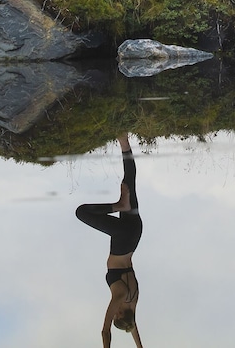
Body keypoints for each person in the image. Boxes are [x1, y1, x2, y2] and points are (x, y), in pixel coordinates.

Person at [76, 134, 144, 347]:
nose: (114, 313)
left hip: (134, 235)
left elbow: (133, 326)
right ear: (120, 313)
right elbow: (105, 331)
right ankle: (119, 205)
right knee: (82, 213)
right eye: (116, 315)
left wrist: (140, 346)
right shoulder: (120, 297)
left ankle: (123, 141)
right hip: (122, 239)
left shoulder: (133, 302)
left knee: (129, 182)